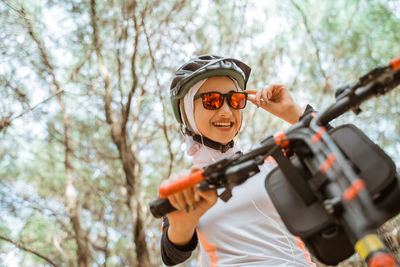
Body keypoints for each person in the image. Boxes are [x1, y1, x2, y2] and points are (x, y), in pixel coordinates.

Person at [160, 54, 316, 266]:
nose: (226, 111)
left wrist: (294, 114)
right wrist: (181, 226)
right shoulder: (186, 185)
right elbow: (171, 255)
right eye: (211, 100)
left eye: (235, 100)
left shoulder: (272, 158)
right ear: (187, 111)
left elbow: (343, 155)